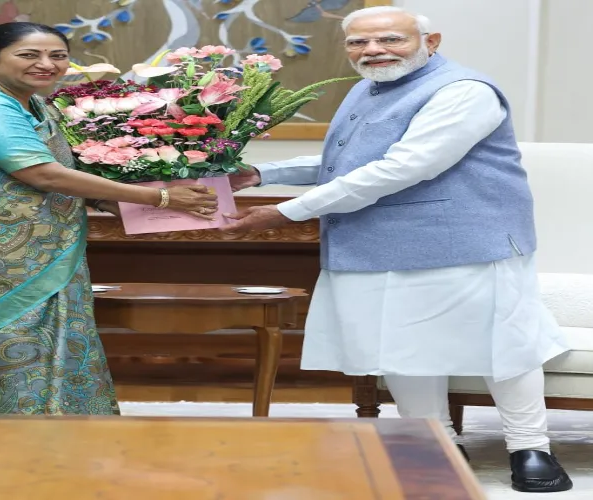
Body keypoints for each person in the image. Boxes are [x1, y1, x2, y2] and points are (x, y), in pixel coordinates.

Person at [223, 6, 573, 493]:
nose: (372, 51)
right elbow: (344, 160)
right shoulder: (366, 88)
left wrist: (288, 210)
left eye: (390, 40)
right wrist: (264, 174)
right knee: (400, 346)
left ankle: (531, 449)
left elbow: (404, 167)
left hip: (466, 241)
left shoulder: (464, 91)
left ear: (431, 42)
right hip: (377, 240)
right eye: (358, 43)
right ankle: (435, 444)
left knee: (503, 345)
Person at [0, 22, 217, 456]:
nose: (47, 64)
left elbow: (60, 177)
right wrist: (161, 197)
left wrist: (155, 198)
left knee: (47, 337)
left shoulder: (33, 106)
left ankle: (50, 441)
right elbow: (40, 174)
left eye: (58, 55)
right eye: (29, 55)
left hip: (33, 249)